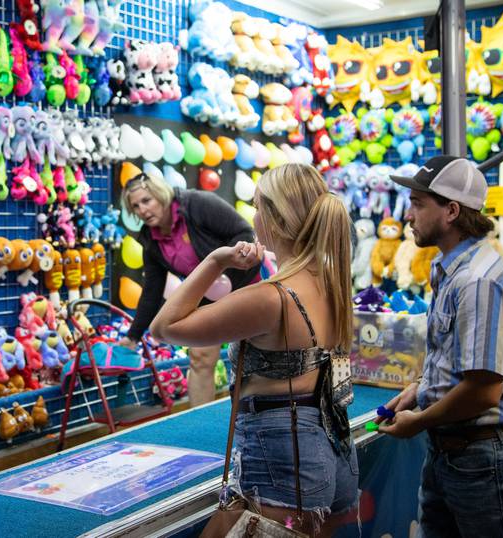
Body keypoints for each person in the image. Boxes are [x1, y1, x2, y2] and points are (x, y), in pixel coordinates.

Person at [150, 163, 358, 536]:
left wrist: (215, 261)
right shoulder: (332, 282)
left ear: (276, 220)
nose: (253, 217)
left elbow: (165, 326)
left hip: (282, 457)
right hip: (327, 447)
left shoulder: (270, 298)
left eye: (258, 207)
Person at [378, 156, 503, 537]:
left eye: (418, 204)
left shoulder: (477, 281)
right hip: (456, 453)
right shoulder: (453, 271)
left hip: (486, 460)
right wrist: (420, 390)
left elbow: (483, 391)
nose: (409, 215)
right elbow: (457, 358)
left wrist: (419, 421)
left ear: (451, 211)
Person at [119, 173, 260, 406]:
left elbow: (243, 232)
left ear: (159, 194)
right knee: (200, 358)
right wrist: (133, 336)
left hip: (244, 285)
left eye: (146, 200)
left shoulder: (197, 203)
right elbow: (152, 290)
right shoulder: (151, 240)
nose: (142, 210)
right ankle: (200, 424)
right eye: (135, 206)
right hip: (207, 298)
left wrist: (225, 273)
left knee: (256, 355)